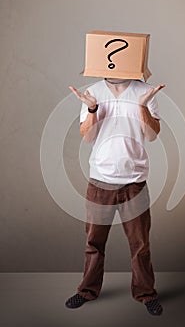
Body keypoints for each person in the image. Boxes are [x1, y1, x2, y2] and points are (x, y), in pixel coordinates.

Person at [65, 77, 166, 315]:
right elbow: (88, 137)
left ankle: (146, 294)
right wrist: (92, 108)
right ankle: (86, 291)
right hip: (100, 181)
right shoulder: (94, 91)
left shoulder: (146, 91)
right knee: (93, 243)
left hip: (135, 183)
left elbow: (152, 135)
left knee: (140, 245)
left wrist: (142, 106)